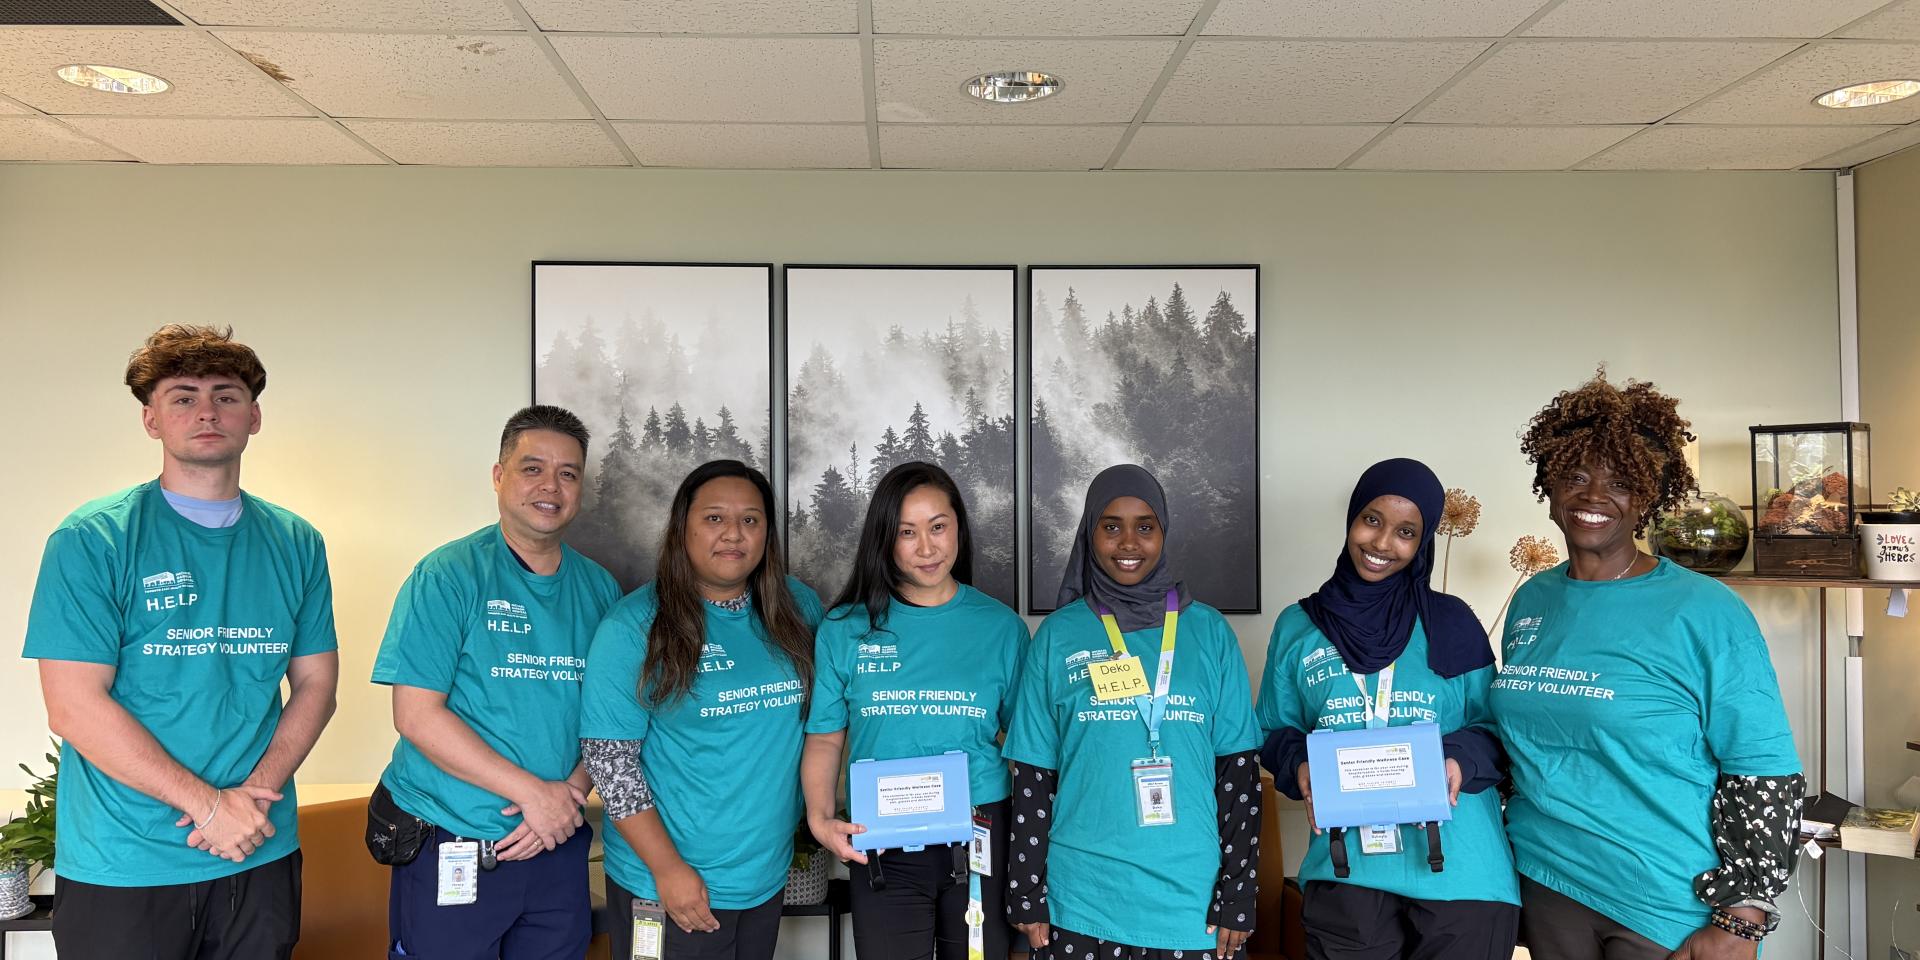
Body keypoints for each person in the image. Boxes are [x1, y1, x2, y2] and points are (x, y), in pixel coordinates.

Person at [25, 324, 339, 959]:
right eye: (183, 396)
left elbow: (316, 685)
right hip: (126, 860)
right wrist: (207, 807)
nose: (206, 411)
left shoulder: (296, 542)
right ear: (151, 420)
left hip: (257, 849)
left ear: (253, 417)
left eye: (226, 396)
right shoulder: (93, 540)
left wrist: (248, 801)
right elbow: (74, 705)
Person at [1492, 371, 1804, 959]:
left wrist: (1742, 919)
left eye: (1619, 482)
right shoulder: (1532, 600)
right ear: (1549, 484)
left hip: (1665, 902)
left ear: (1648, 497)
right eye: (1576, 476)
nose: (1593, 496)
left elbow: (1763, 768)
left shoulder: (1707, 611)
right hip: (1546, 881)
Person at [369, 404, 620, 958]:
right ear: (498, 475)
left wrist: (570, 795)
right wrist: (533, 795)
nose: (550, 486)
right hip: (454, 838)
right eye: (532, 468)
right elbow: (416, 715)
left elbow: (610, 719)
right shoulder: (448, 576)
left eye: (568, 473)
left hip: (555, 841)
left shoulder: (600, 590)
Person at [1256, 458, 1518, 960]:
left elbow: (1496, 727)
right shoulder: (1299, 625)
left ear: (1423, 543)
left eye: (1405, 531)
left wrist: (1458, 759)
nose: (1381, 543)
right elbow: (1272, 728)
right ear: (1352, 519)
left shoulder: (1452, 621)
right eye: (1372, 520)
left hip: (1460, 875)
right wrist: (1299, 764)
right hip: (1346, 871)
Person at [1002, 464, 1260, 960]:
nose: (1128, 543)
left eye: (1145, 526)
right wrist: (1026, 893)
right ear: (1089, 532)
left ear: (1163, 532)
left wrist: (1239, 895)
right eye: (1111, 526)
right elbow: (1034, 778)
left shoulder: (1209, 634)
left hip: (1192, 902)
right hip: (1080, 899)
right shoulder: (1058, 637)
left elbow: (1238, 777)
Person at [581, 460, 823, 960]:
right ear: (682, 528)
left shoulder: (798, 608)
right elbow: (610, 762)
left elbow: (832, 719)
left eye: (751, 520)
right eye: (714, 518)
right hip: (669, 882)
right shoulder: (633, 626)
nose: (734, 534)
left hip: (763, 874)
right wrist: (668, 869)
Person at [801, 462, 1029, 960]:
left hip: (980, 834)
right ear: (884, 539)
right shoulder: (846, 628)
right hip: (881, 840)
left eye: (938, 527)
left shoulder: (1001, 628)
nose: (926, 548)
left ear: (958, 529)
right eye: (907, 532)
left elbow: (1027, 748)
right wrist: (820, 819)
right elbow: (824, 737)